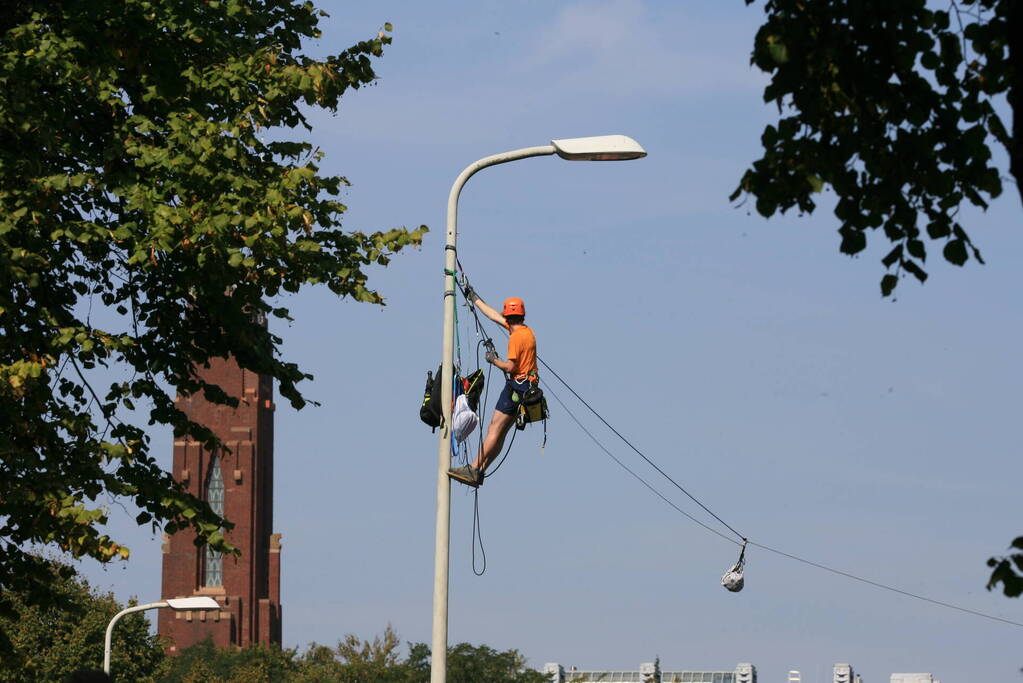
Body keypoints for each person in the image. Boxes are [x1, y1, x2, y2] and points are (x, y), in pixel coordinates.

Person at [447, 290, 537, 488]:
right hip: (528, 387)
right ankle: (480, 470)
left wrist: (494, 360)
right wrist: (475, 299)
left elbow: (511, 367)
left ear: (508, 315)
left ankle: (473, 467)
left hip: (517, 386)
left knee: (494, 429)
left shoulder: (515, 338)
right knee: (501, 432)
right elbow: (494, 316)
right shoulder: (526, 331)